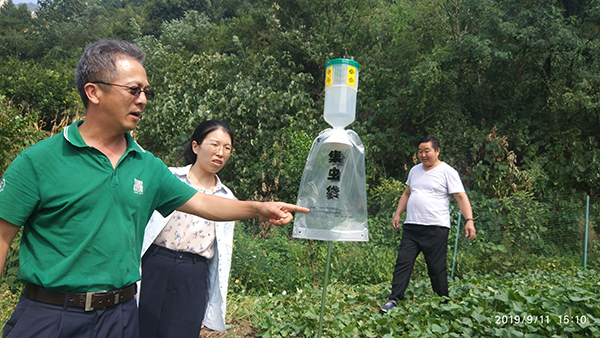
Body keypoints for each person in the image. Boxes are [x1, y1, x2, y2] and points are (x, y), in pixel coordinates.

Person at [0, 39, 308, 338]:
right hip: (50, 315)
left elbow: (203, 203)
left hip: (119, 316)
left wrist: (258, 208)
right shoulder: (39, 162)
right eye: (133, 90)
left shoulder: (147, 166)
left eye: (146, 91)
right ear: (93, 91)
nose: (143, 99)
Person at [138, 120, 237, 338]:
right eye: (214, 144)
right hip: (155, 263)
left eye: (227, 148)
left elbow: (222, 258)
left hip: (193, 274)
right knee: (138, 328)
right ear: (196, 146)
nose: (220, 153)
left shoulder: (227, 199)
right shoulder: (169, 178)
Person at [379, 136, 475, 313]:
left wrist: (469, 220)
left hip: (436, 228)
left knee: (436, 267)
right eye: (420, 151)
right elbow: (407, 193)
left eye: (427, 151)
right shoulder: (415, 171)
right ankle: (393, 299)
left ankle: (443, 301)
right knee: (403, 263)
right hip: (412, 227)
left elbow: (461, 197)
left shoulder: (448, 172)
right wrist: (398, 214)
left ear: (437, 151)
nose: (423, 155)